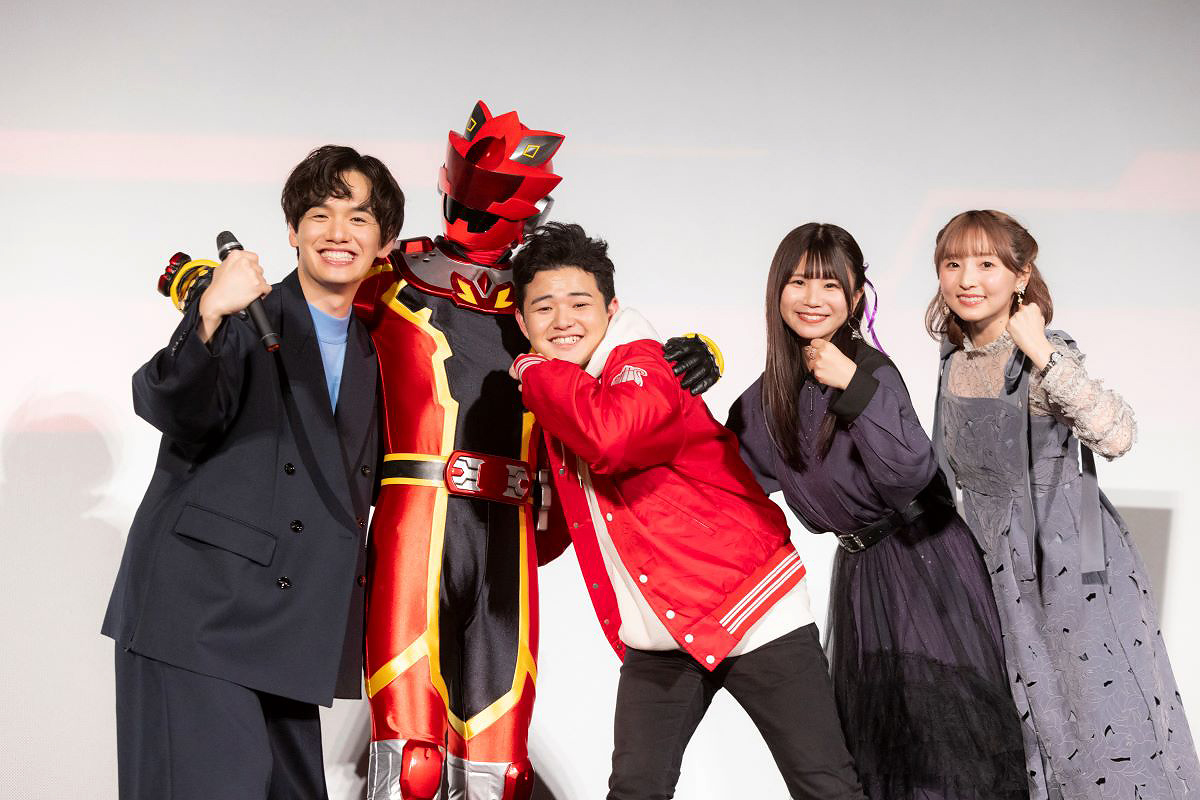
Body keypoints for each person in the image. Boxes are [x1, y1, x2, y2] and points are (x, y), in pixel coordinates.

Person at [353, 102, 718, 800]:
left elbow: (620, 360)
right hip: (415, 524)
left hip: (509, 535)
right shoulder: (392, 276)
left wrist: (695, 353)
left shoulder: (541, 307)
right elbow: (305, 314)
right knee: (412, 764)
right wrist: (206, 289)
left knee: (500, 769)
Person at [507, 222, 866, 800]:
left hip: (749, 606)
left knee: (826, 786)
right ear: (522, 322)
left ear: (611, 309)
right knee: (635, 791)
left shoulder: (640, 365)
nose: (562, 320)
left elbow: (611, 439)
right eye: (543, 308)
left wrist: (531, 369)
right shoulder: (567, 391)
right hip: (663, 631)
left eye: (579, 303)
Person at [101, 145, 404, 799]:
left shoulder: (377, 352)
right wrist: (209, 312)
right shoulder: (247, 315)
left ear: (385, 245)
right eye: (319, 215)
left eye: (358, 218)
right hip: (200, 613)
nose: (338, 233)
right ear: (292, 231)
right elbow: (170, 401)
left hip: (293, 629)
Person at [725, 222, 1026, 799]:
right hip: (862, 574)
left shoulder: (872, 372)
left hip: (926, 560)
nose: (813, 298)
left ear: (856, 296)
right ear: (776, 291)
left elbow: (910, 470)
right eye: (798, 282)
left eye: (829, 285)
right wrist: (680, 380)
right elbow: (722, 472)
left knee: (943, 740)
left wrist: (854, 386)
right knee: (881, 748)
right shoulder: (770, 394)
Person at [926, 209, 1200, 799]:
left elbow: (1117, 435)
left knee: (1094, 722)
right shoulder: (953, 360)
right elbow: (943, 471)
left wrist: (1041, 352)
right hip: (988, 564)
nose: (967, 279)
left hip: (1066, 560)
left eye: (987, 264)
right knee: (1021, 727)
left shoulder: (1043, 352)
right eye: (953, 264)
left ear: (1020, 276)